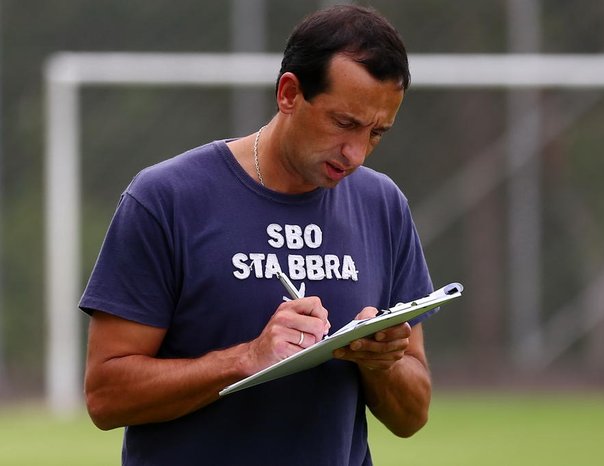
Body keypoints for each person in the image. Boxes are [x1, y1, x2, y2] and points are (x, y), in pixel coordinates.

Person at [80, 5, 435, 465]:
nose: (356, 154)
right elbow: (105, 396)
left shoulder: (381, 204)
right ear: (289, 93)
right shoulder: (166, 198)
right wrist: (247, 359)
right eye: (344, 123)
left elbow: (413, 415)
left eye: (377, 133)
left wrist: (378, 364)